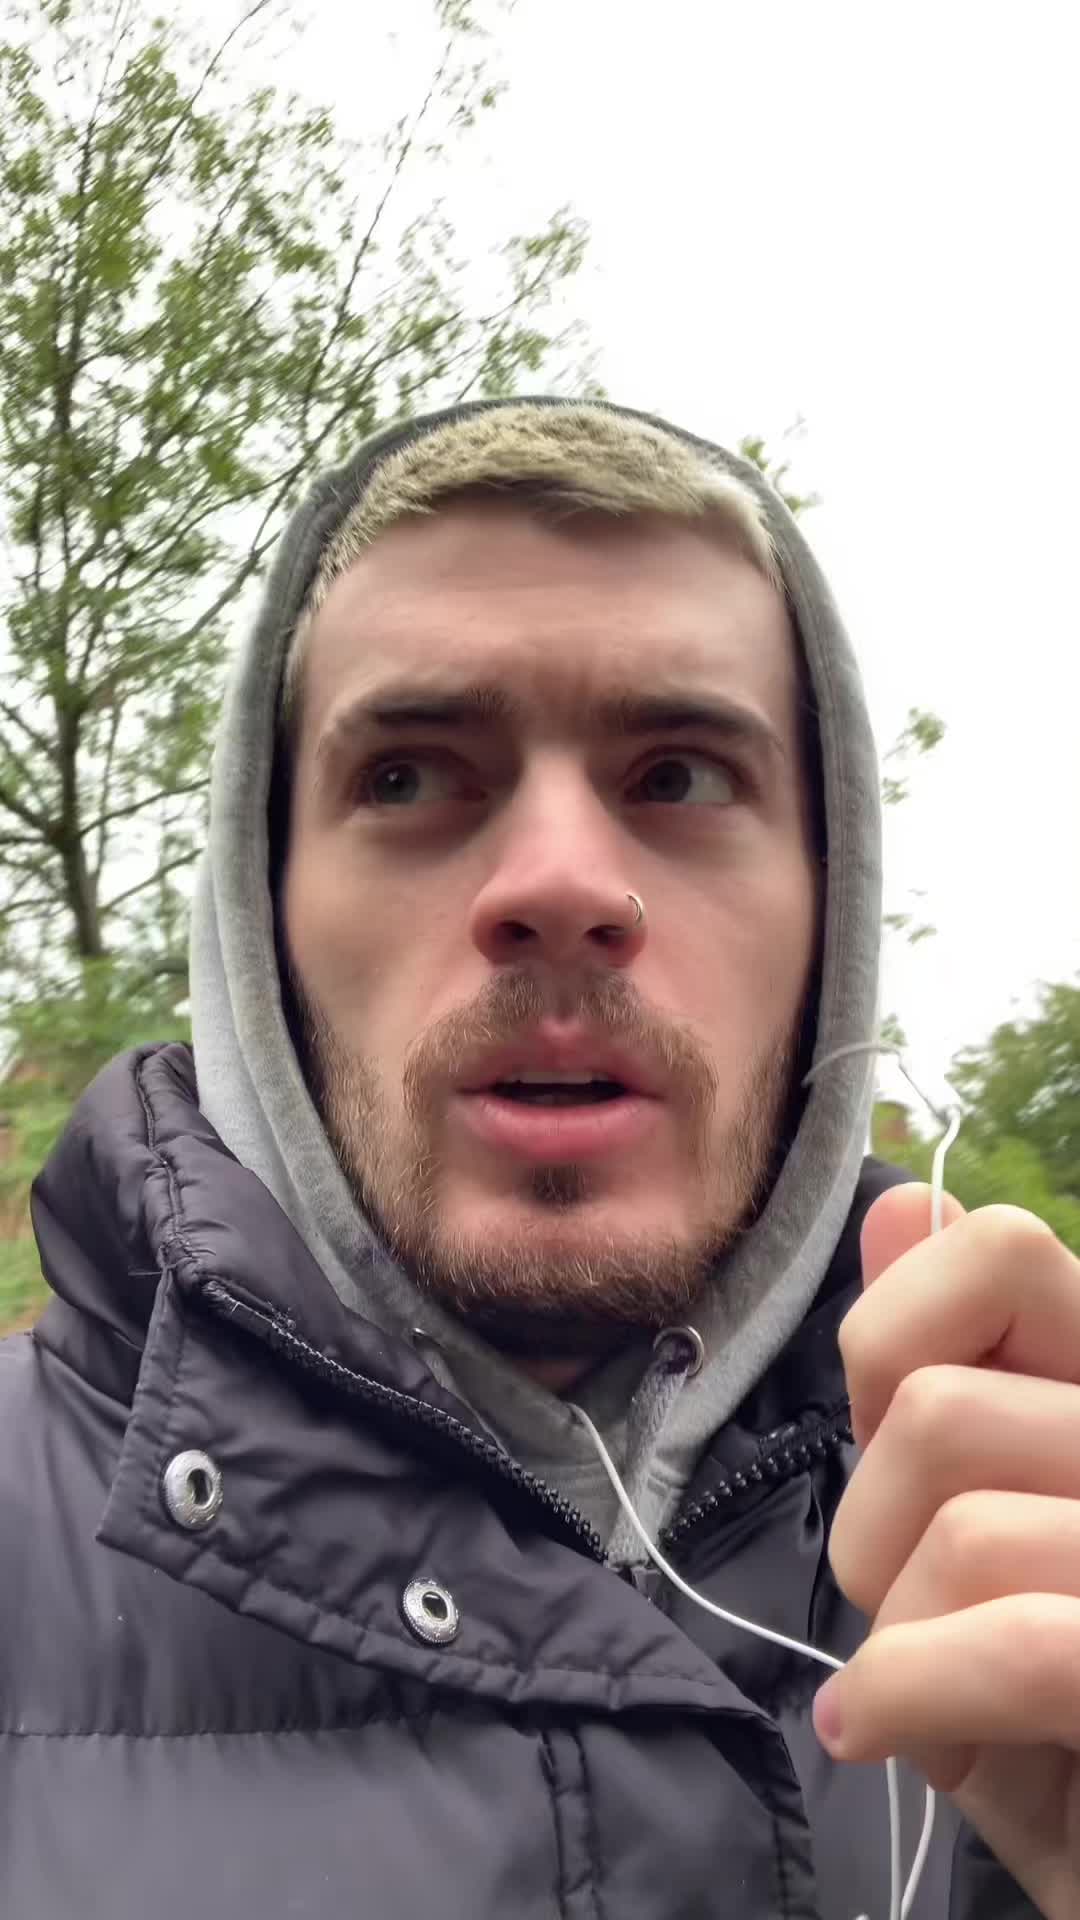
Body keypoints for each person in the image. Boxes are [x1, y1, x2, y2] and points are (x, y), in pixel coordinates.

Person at [1, 397, 1076, 1920]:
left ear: (828, 925)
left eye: (680, 777)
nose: (562, 884)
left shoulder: (1041, 1546)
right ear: (261, 926)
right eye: (408, 776)